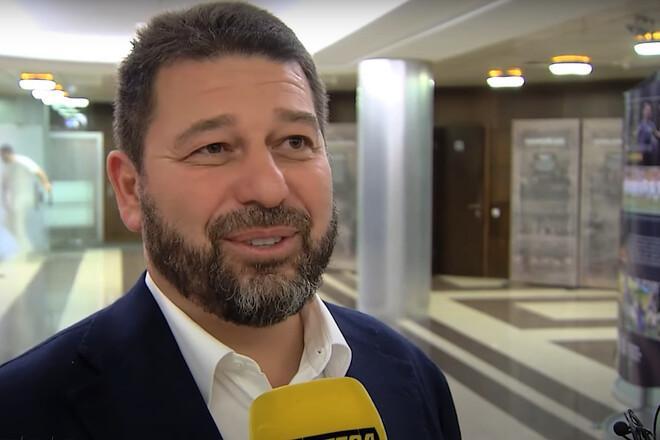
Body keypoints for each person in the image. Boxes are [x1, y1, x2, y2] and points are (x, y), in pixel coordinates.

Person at [0, 3, 461, 439]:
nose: (269, 188)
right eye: (213, 148)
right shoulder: (22, 409)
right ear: (130, 189)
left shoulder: (412, 378)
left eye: (295, 142)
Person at [0, 144, 51, 255]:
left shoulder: (22, 161)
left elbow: (38, 171)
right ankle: (24, 248)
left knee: (18, 226)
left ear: (7, 153)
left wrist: (46, 183)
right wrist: (4, 202)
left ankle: (25, 250)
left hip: (23, 198)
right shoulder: (6, 167)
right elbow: (4, 186)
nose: (1, 158)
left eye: (2, 155)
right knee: (7, 224)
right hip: (13, 200)